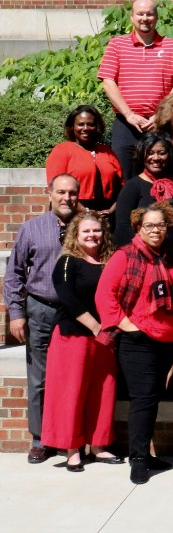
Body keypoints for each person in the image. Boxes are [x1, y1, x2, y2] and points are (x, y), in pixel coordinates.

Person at [95, 201, 173, 485]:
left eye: (161, 225)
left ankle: (145, 454)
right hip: (140, 341)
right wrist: (128, 326)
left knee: (152, 399)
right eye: (150, 225)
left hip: (167, 340)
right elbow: (104, 296)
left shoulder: (169, 256)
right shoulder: (126, 255)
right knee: (143, 400)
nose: (156, 230)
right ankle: (138, 459)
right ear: (138, 227)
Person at [6, 175, 81, 464]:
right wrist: (16, 314)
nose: (67, 198)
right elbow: (14, 274)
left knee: (72, 377)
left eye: (72, 193)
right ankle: (40, 439)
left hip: (76, 314)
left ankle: (68, 436)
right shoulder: (32, 228)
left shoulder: (86, 228)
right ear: (48, 193)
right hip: (40, 309)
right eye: (61, 192)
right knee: (40, 378)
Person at [42, 212, 121, 471]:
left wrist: (109, 330)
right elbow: (68, 298)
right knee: (70, 393)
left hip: (105, 338)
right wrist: (97, 327)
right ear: (76, 234)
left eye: (96, 231)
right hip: (73, 336)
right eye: (86, 231)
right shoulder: (68, 262)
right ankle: (72, 449)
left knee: (104, 390)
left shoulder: (111, 261)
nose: (92, 235)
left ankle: (98, 445)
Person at [98, 0, 173, 178]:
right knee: (124, 176)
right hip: (126, 123)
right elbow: (108, 81)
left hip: (160, 123)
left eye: (149, 14)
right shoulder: (117, 45)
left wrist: (160, 116)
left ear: (156, 17)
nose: (145, 18)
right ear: (132, 17)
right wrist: (129, 114)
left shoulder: (172, 46)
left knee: (162, 177)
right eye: (140, 14)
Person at [114, 135, 173, 252]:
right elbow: (123, 227)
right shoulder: (132, 186)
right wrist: (145, 251)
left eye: (161, 153)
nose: (156, 158)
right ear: (142, 155)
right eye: (150, 153)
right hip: (144, 254)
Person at [45, 106, 123, 220]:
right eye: (80, 124)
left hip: (106, 216)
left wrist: (113, 209)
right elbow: (56, 189)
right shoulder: (62, 150)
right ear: (72, 127)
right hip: (72, 214)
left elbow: (122, 187)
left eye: (90, 124)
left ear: (97, 127)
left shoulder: (107, 152)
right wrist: (85, 211)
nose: (85, 128)